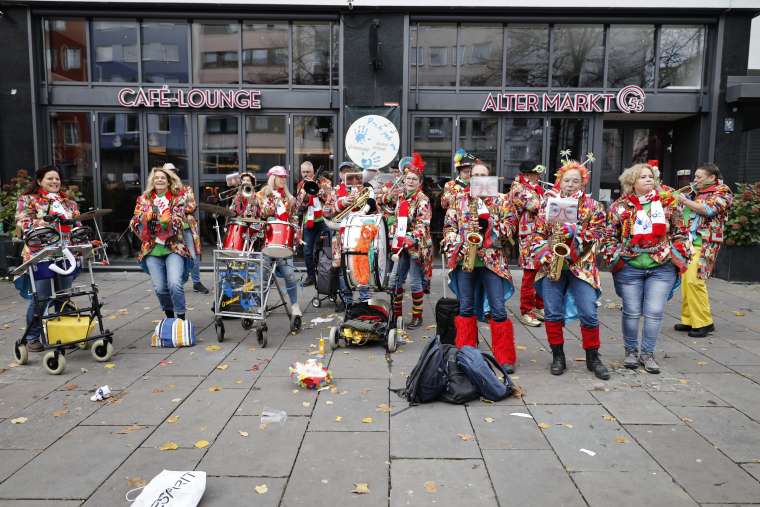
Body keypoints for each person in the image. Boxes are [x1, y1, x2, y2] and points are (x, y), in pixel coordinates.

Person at [603, 163, 691, 373]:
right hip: (630, 267)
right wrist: (617, 257)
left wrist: (674, 253)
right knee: (632, 312)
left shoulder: (668, 203)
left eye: (650, 176)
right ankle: (631, 352)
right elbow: (608, 236)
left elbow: (682, 232)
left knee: (654, 311)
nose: (648, 179)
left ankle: (648, 354)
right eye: (642, 177)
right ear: (631, 182)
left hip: (661, 267)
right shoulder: (620, 206)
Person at [531, 155, 610, 380]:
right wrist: (545, 255)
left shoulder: (592, 205)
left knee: (589, 312)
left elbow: (600, 234)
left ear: (583, 182)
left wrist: (574, 230)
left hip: (580, 265)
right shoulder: (547, 204)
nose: (571, 184)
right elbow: (536, 235)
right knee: (553, 313)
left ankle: (593, 357)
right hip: (552, 266)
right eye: (567, 180)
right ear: (560, 181)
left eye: (576, 181)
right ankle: (558, 357)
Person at [442, 161, 518, 373]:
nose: (479, 177)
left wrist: (490, 226)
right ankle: (467, 352)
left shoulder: (502, 201)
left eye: (483, 174)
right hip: (466, 260)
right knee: (466, 307)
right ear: (470, 177)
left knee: (498, 309)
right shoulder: (459, 200)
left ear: (490, 176)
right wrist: (460, 243)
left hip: (492, 262)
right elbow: (448, 228)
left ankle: (505, 357)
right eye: (475, 174)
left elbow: (511, 229)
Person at [14, 166, 81, 352]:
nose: (54, 182)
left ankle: (65, 333)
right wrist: (44, 221)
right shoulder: (27, 200)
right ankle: (32, 337)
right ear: (39, 181)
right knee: (42, 297)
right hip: (40, 255)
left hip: (65, 253)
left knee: (63, 295)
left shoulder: (68, 203)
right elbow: (22, 223)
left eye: (57, 179)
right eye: (49, 178)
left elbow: (77, 224)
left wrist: (82, 239)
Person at [672, 163, 733, 338]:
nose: (695, 180)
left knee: (695, 280)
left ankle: (704, 322)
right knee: (686, 281)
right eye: (695, 176)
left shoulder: (723, 191)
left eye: (699, 177)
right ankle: (689, 319)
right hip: (688, 241)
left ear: (712, 177)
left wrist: (684, 200)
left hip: (706, 243)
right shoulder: (696, 191)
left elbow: (708, 210)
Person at [130, 167, 193, 321]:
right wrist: (145, 218)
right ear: (152, 181)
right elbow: (134, 222)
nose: (159, 180)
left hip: (173, 248)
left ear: (168, 181)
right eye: (156, 177)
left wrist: (168, 221)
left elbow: (180, 221)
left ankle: (181, 317)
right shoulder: (143, 199)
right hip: (152, 250)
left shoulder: (177, 199)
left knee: (174, 284)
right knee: (160, 288)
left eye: (163, 178)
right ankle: (170, 316)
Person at [382, 153, 433, 329]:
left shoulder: (423, 200)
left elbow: (423, 224)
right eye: (408, 178)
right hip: (400, 243)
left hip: (416, 246)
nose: (410, 181)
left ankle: (417, 316)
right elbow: (385, 205)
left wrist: (410, 239)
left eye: (414, 179)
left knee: (414, 281)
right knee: (396, 280)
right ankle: (396, 316)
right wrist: (387, 196)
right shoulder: (400, 196)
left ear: (419, 182)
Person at [257, 165, 302, 325]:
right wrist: (274, 198)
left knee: (289, 274)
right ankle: (260, 306)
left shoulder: (289, 198)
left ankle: (295, 305)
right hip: (268, 240)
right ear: (273, 178)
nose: (284, 179)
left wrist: (296, 234)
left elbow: (294, 218)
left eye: (285, 177)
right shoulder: (263, 194)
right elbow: (264, 213)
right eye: (281, 177)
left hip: (283, 241)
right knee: (263, 276)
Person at [326, 161, 370, 306]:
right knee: (341, 268)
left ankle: (364, 300)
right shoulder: (335, 190)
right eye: (343, 171)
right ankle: (348, 302)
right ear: (339, 174)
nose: (346, 174)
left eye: (349, 171)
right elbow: (326, 212)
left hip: (358, 234)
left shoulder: (363, 188)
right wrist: (341, 202)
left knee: (362, 265)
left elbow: (373, 210)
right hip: (339, 234)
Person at [508, 163, 547, 327]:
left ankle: (539, 306)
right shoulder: (519, 188)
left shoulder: (536, 188)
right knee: (530, 274)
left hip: (541, 233)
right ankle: (526, 310)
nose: (537, 177)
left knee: (543, 270)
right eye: (534, 174)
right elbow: (534, 206)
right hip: (528, 235)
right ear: (526, 174)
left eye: (537, 175)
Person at [162, 163, 209, 295]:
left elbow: (192, 206)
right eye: (167, 172)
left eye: (172, 171)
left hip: (186, 227)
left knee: (193, 256)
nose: (170, 174)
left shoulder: (186, 188)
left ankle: (196, 282)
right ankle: (176, 283)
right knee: (172, 256)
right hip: (169, 229)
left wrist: (176, 209)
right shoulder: (161, 190)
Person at [295, 161, 332, 287]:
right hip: (309, 221)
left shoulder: (324, 181)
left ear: (313, 171)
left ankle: (327, 275)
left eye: (308, 172)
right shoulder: (301, 184)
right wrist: (306, 196)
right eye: (303, 172)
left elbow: (329, 197)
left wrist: (317, 189)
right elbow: (298, 206)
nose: (306, 174)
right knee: (307, 251)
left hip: (324, 220)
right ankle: (311, 276)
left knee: (327, 249)